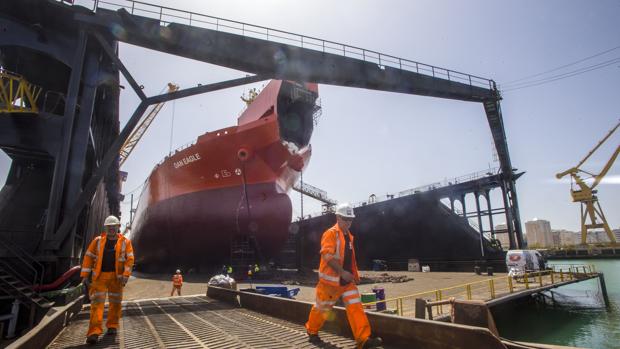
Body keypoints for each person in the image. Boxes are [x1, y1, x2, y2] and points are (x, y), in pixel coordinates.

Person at [305, 203, 382, 349]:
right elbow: (327, 256)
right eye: (345, 219)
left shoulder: (349, 236)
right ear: (338, 217)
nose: (348, 222)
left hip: (346, 282)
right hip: (330, 283)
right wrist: (342, 273)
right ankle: (312, 331)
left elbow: (348, 259)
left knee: (356, 308)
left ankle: (364, 339)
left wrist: (353, 275)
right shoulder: (331, 233)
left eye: (350, 219)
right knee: (321, 309)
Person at [80, 215, 134, 345]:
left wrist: (126, 276)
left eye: (113, 226)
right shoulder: (97, 241)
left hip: (117, 278)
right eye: (109, 227)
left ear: (118, 227)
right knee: (96, 305)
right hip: (100, 277)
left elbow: (130, 260)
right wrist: (84, 276)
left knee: (115, 303)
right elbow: (88, 257)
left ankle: (112, 326)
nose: (111, 229)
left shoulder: (125, 242)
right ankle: (93, 332)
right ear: (106, 228)